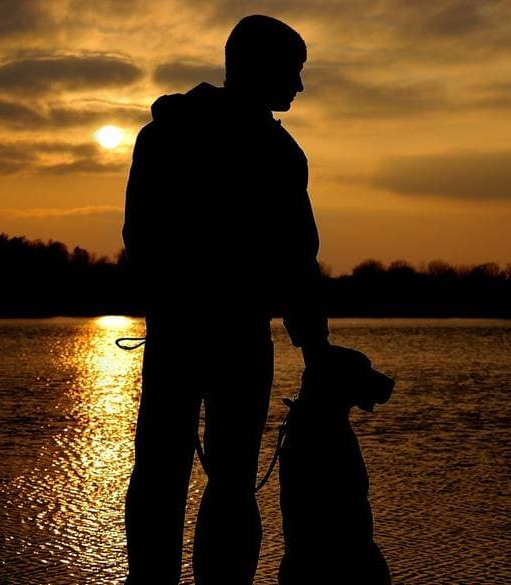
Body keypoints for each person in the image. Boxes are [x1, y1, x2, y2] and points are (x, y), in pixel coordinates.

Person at [122, 14, 331, 585]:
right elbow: (298, 264)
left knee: (167, 472)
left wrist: (314, 345)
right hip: (228, 338)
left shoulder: (164, 136)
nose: (299, 85)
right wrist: (315, 348)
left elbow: (139, 241)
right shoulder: (277, 155)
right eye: (293, 70)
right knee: (220, 479)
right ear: (257, 67)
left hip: (183, 334)